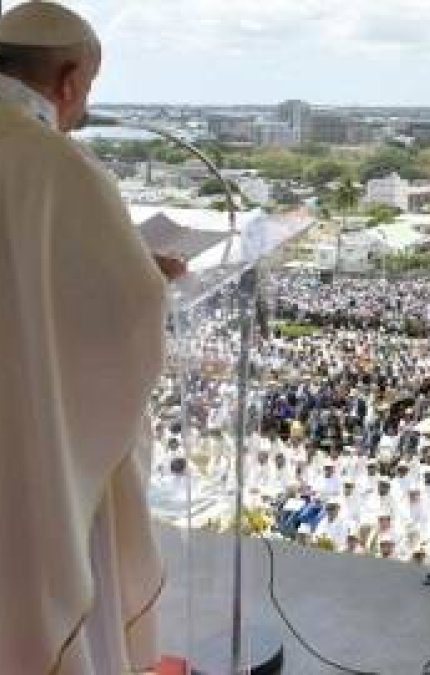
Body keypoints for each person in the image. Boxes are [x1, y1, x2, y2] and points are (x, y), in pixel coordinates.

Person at [0, 4, 183, 673]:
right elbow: (123, 309)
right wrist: (149, 273)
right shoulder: (56, 163)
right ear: (71, 78)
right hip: (24, 434)